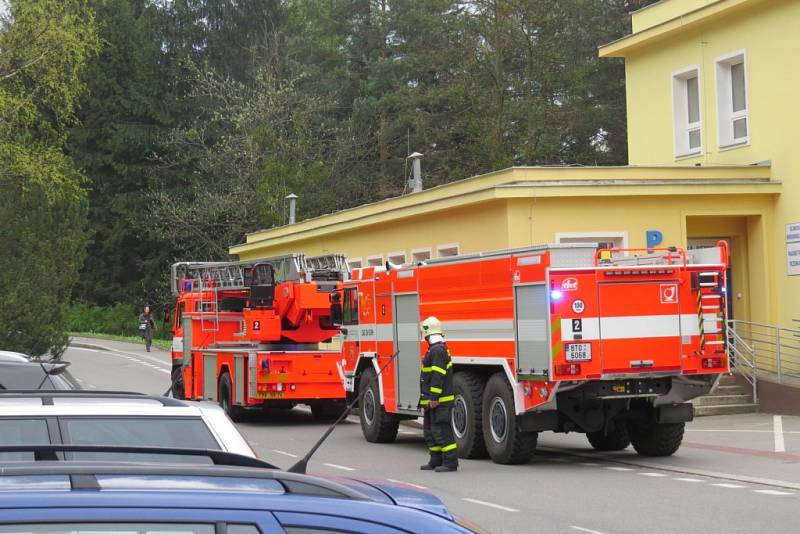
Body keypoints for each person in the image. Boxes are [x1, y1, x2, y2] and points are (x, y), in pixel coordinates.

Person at [419, 316, 458, 472]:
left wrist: (434, 398)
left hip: (440, 401)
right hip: (431, 400)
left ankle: (450, 463)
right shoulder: (435, 350)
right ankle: (435, 460)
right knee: (430, 431)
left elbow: (438, 376)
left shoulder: (438, 351)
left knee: (441, 431)